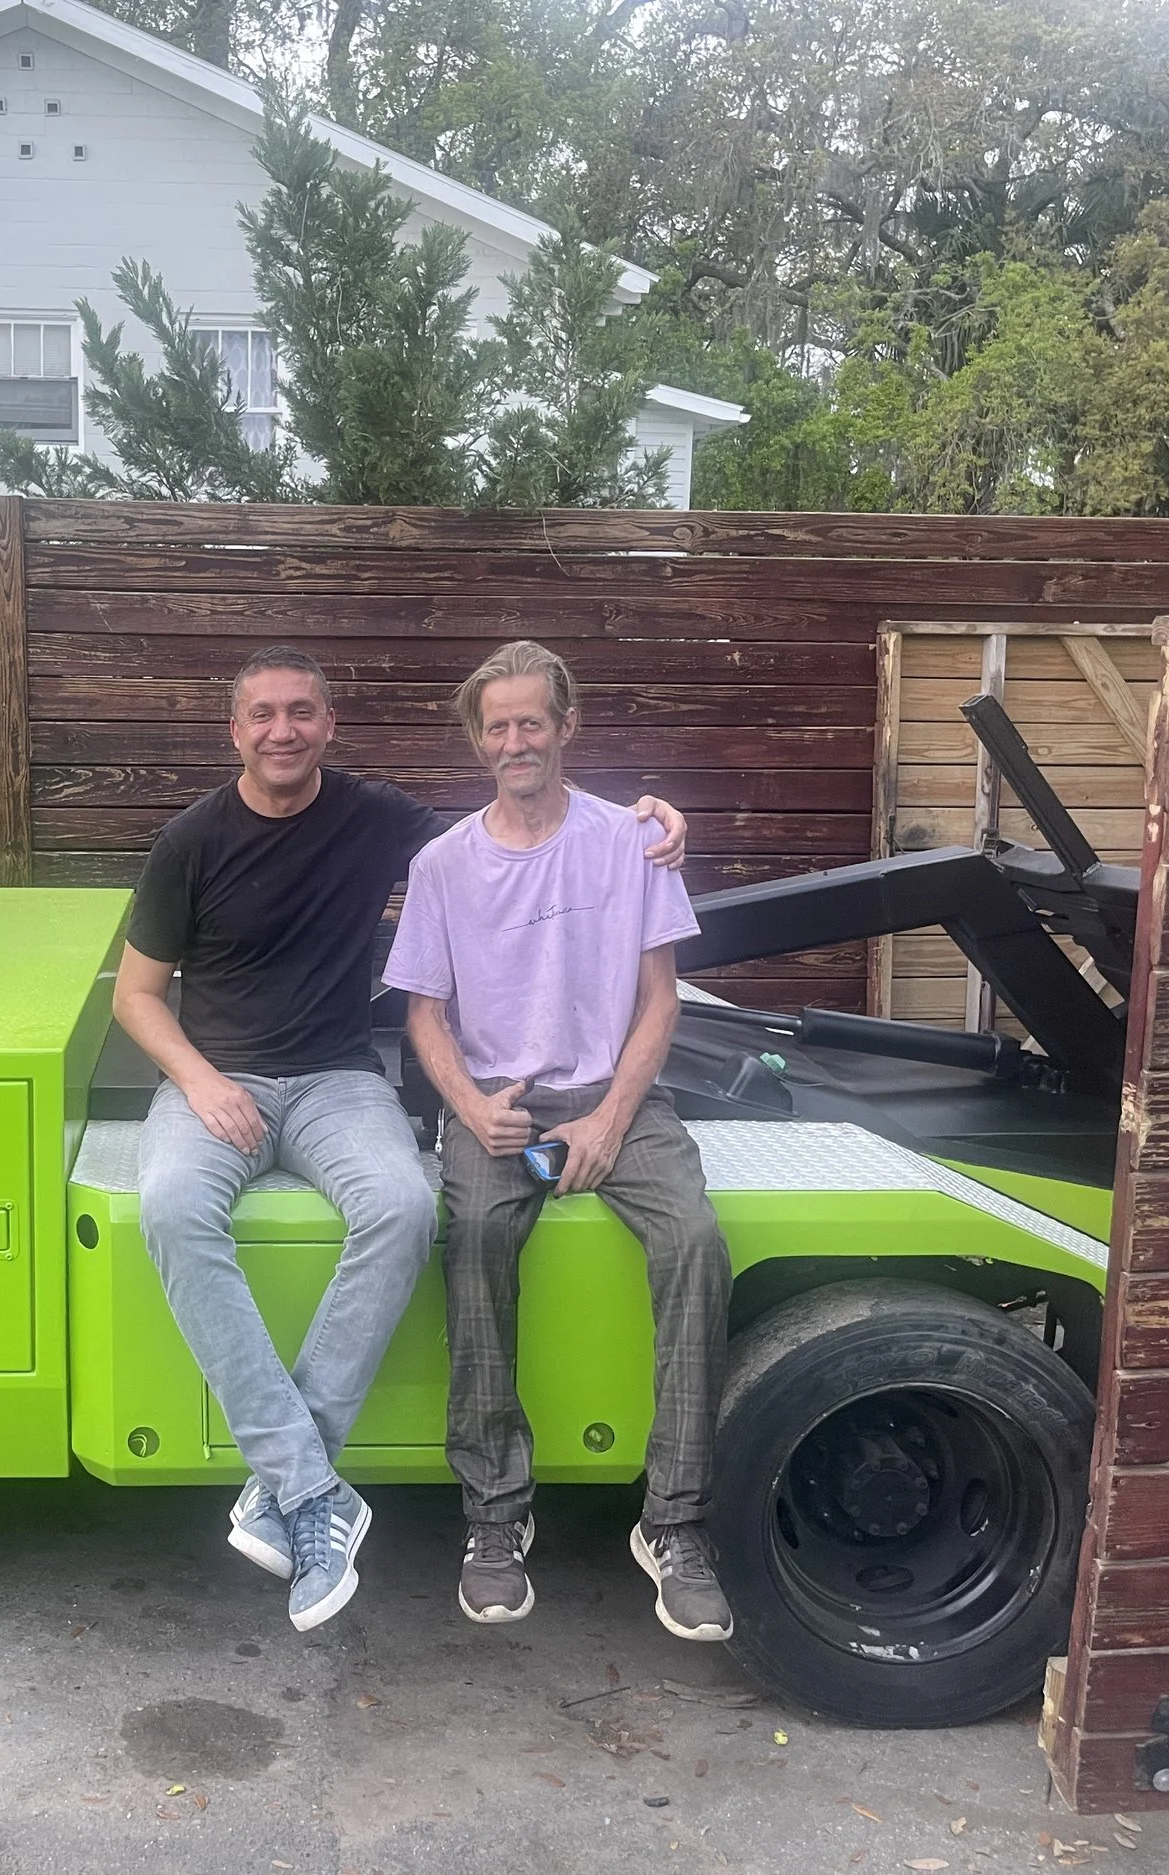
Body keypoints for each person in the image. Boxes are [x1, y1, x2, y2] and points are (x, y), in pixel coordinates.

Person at [112, 645, 688, 1633]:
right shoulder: (189, 841)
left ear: (329, 725)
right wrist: (201, 1083)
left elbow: (522, 820)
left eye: (301, 711)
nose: (282, 730)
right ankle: (308, 1487)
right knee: (167, 1206)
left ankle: (289, 1484)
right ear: (235, 731)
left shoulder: (382, 822)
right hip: (221, 1082)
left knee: (405, 1204)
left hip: (339, 1079)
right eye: (263, 715)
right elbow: (136, 995)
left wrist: (646, 812)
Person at [383, 639, 734, 1641]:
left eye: (530, 722)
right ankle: (494, 1516)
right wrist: (470, 1107)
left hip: (615, 1099)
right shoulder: (443, 864)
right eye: (495, 726)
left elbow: (660, 999)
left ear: (566, 727)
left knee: (695, 1244)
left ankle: (673, 1524)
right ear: (476, 739)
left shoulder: (631, 840)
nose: (513, 742)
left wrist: (609, 1121)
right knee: (479, 1241)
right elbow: (423, 1019)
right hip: (501, 1110)